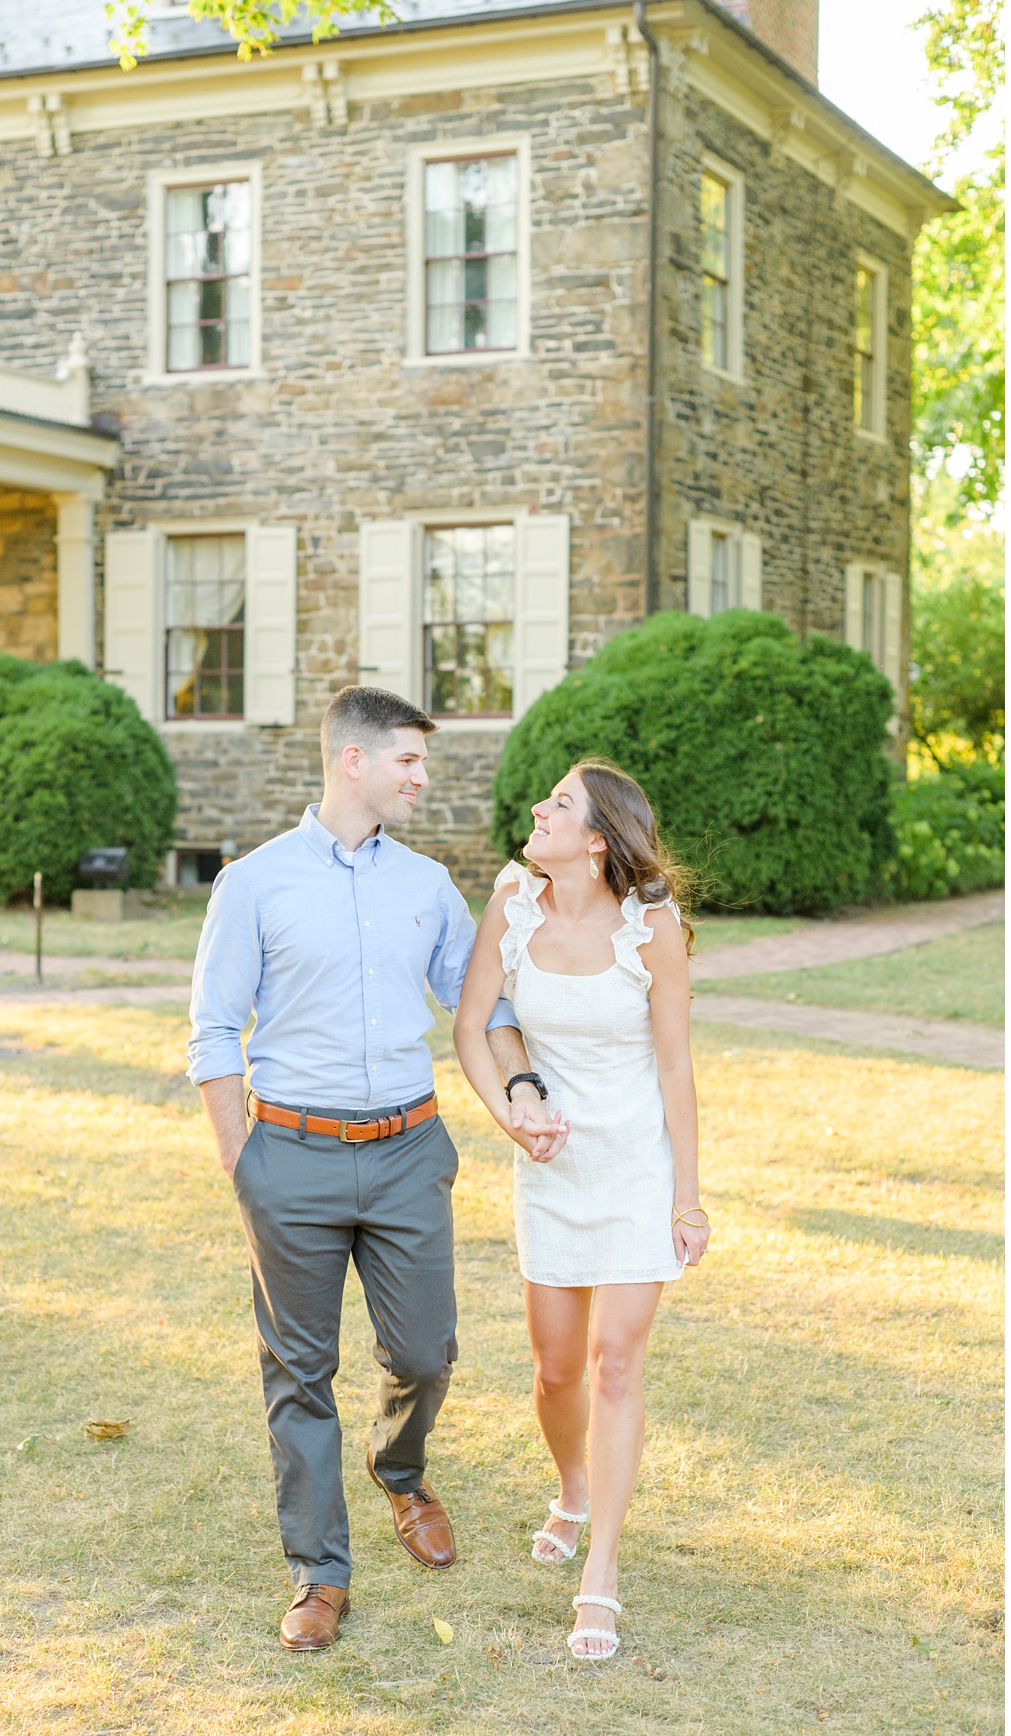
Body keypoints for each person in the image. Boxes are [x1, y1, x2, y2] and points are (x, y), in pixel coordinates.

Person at [188, 684, 539, 1652]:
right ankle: (318, 1570)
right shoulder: (253, 883)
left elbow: (485, 1007)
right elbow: (213, 1032)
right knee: (300, 1370)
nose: (425, 778)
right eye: (410, 763)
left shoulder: (427, 885)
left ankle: (402, 1468)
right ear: (354, 760)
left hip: (408, 1150)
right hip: (288, 1155)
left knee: (426, 1352)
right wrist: (242, 1162)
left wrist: (524, 1090)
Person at [452, 756, 710, 1664]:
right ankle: (573, 1487)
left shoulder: (653, 930)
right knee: (556, 1370)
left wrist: (687, 1192)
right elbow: (473, 1021)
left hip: (635, 1168)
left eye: (558, 803)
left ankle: (599, 1571)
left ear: (597, 839)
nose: (537, 808)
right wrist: (514, 1114)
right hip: (552, 1168)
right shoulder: (513, 902)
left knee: (613, 1368)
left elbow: (675, 1066)